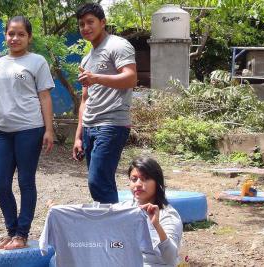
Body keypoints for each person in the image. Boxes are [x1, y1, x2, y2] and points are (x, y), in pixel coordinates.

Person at [0, 15, 55, 250]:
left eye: (21, 34)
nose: (15, 38)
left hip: (29, 129)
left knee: (25, 182)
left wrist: (49, 130)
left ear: (29, 37)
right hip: (3, 132)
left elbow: (45, 97)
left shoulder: (37, 61)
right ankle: (11, 231)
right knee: (0, 183)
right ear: (6, 36)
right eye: (11, 33)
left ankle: (21, 234)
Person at [72, 3, 137, 204]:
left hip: (112, 123)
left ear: (103, 22)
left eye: (90, 22)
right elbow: (85, 98)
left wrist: (96, 78)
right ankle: (109, 226)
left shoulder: (117, 45)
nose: (85, 28)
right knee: (100, 182)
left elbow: (131, 78)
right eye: (81, 24)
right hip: (91, 126)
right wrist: (78, 136)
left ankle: (114, 228)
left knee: (97, 181)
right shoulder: (86, 59)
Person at [122, 157, 183, 266]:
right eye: (134, 179)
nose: (138, 184)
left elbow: (170, 258)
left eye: (144, 178)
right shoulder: (124, 209)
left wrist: (156, 225)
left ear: (157, 182)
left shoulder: (167, 215)